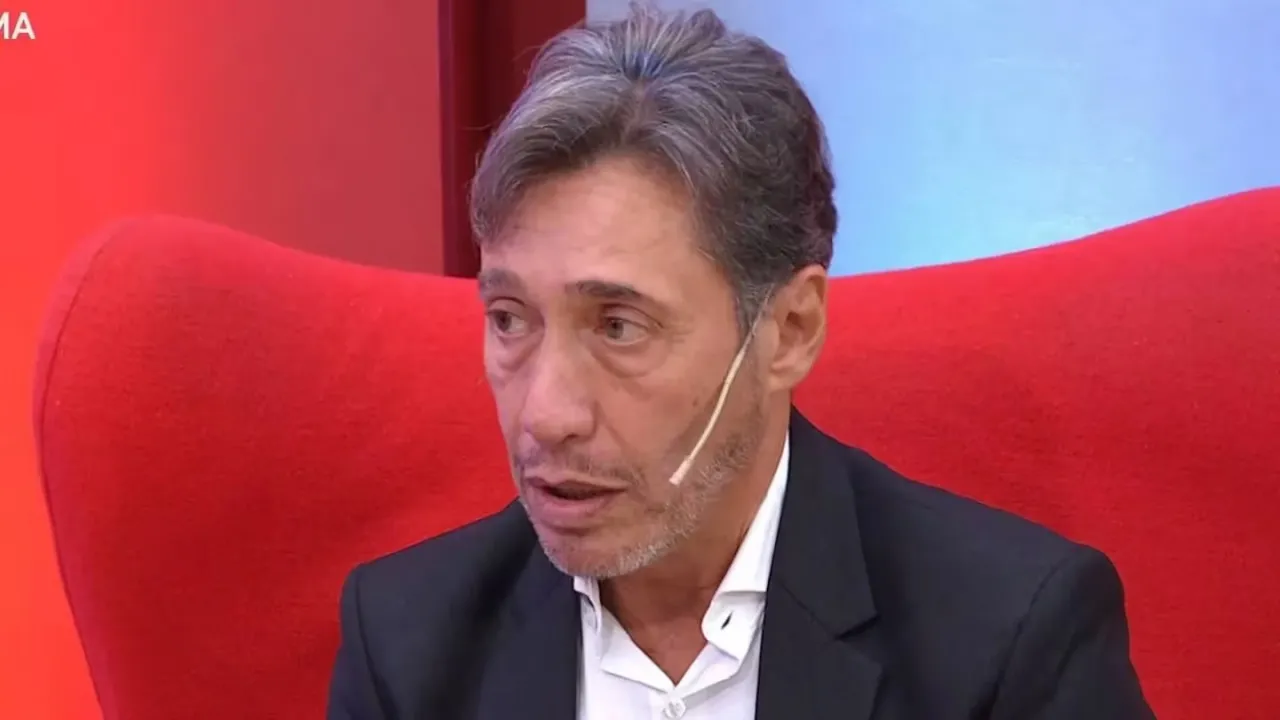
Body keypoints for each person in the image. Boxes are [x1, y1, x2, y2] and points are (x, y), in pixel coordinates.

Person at [327, 5, 1154, 719]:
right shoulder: (407, 645)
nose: (546, 414)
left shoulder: (1008, 641)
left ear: (789, 330)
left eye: (618, 326)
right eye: (510, 320)